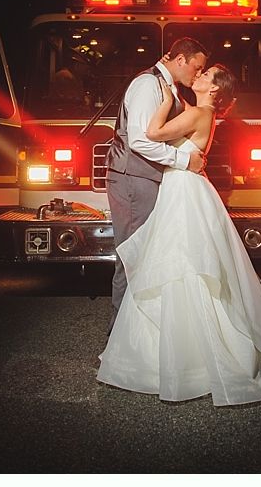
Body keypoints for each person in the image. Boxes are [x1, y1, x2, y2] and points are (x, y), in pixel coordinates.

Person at [96, 64, 261, 405]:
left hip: (183, 190)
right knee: (189, 261)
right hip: (187, 188)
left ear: (215, 91)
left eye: (206, 75)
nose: (199, 77)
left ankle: (190, 358)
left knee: (184, 261)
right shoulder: (203, 113)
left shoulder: (198, 113)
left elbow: (151, 133)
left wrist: (164, 102)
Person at [104, 37, 209, 330]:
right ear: (180, 61)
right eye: (197, 67)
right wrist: (184, 160)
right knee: (133, 255)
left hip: (146, 179)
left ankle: (141, 335)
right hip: (133, 179)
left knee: (148, 254)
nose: (198, 74)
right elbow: (139, 140)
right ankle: (119, 340)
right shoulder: (147, 85)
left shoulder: (170, 89)